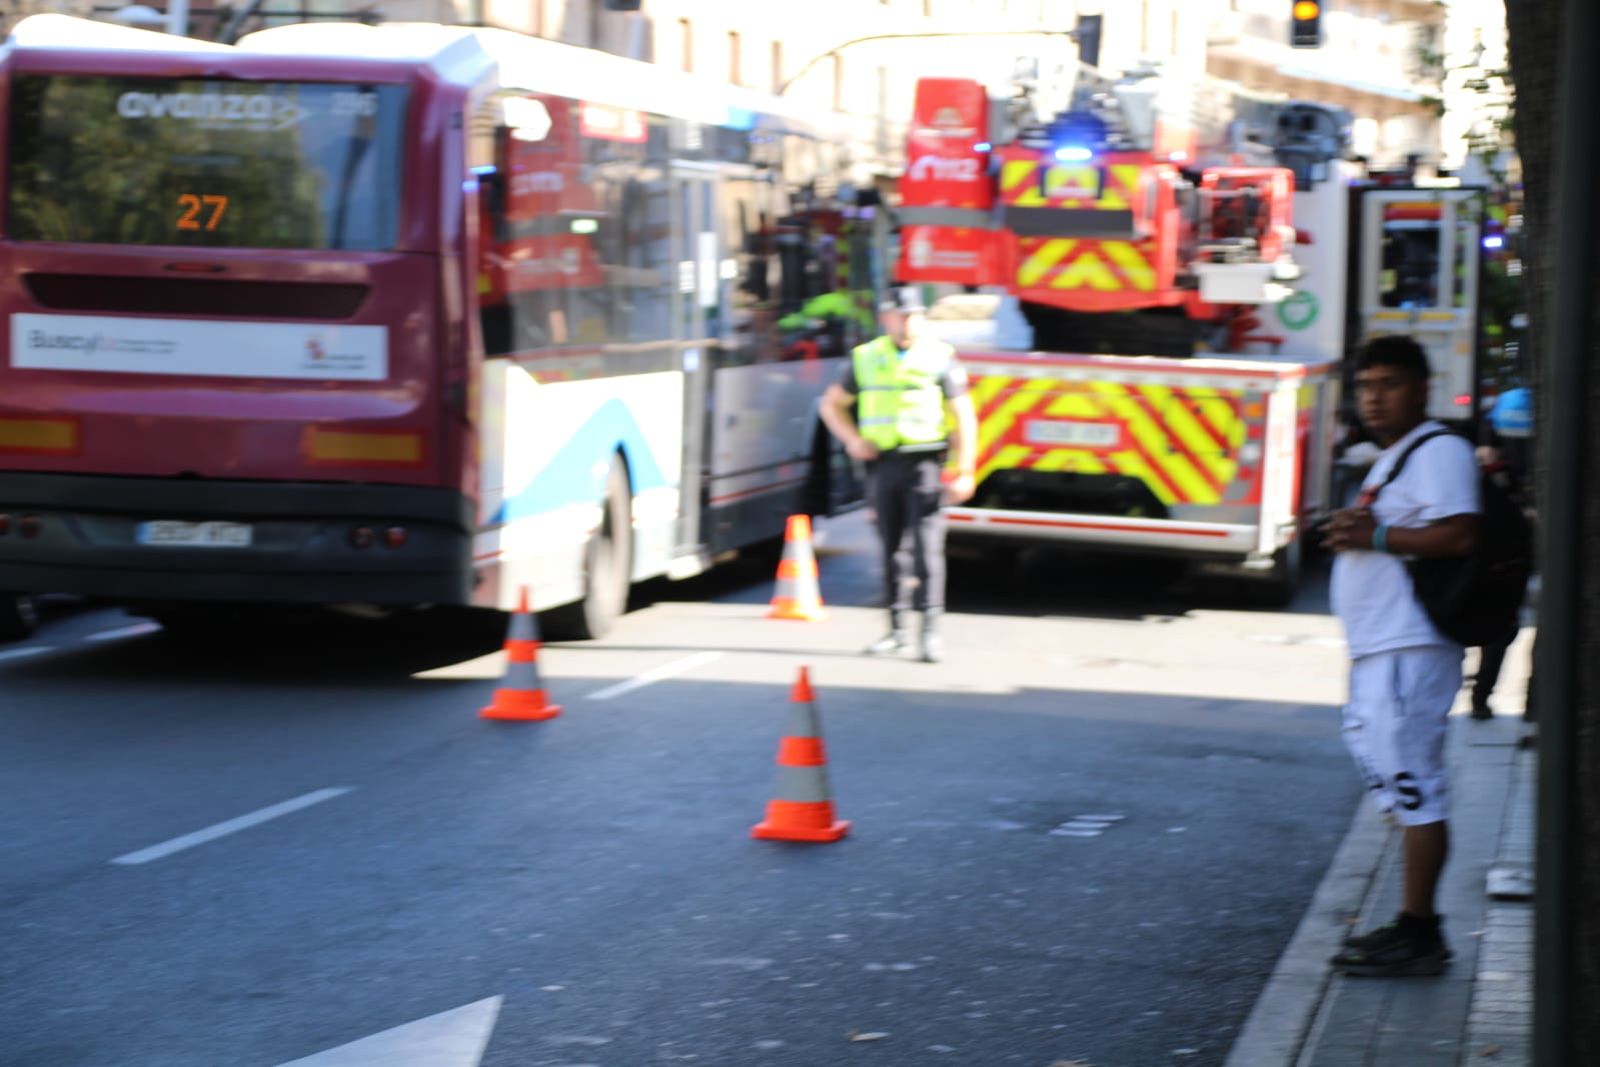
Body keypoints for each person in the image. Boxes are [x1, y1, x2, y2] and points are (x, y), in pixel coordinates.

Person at [1322, 335, 1481, 977]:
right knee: (1392, 779)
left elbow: (1461, 532)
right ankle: (1413, 922)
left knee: (1417, 788)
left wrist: (1378, 535)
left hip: (1409, 646)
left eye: (1387, 384)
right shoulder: (1396, 456)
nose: (1373, 398)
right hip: (1381, 646)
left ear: (1422, 387)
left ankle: (1421, 929)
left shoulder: (1440, 450)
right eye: (1364, 387)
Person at [819, 286, 978, 663]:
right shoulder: (866, 357)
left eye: (912, 315)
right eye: (899, 315)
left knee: (927, 551)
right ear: (885, 318)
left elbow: (963, 416)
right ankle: (896, 630)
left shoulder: (940, 356)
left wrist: (965, 469)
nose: (906, 322)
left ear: (921, 317)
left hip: (924, 464)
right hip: (883, 464)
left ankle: (930, 633)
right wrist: (853, 440)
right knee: (891, 550)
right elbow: (832, 405)